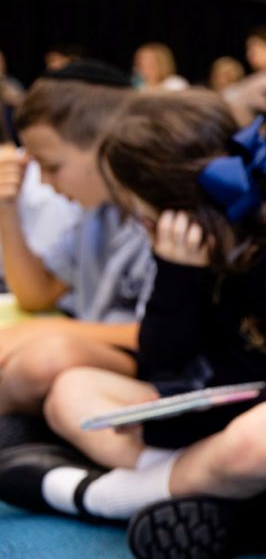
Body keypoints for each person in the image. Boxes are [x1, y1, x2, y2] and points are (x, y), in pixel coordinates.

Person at [0, 90, 266, 558]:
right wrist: (177, 274)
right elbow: (164, 363)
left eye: (144, 216)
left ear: (182, 205)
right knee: (71, 390)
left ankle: (111, 496)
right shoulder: (195, 252)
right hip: (215, 416)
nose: (142, 226)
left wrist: (179, 428)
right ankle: (216, 491)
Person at [0, 61, 153, 421]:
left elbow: (160, 336)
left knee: (46, 358)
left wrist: (44, 330)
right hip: (92, 342)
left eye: (52, 167)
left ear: (109, 149)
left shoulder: (158, 217)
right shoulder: (94, 211)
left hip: (153, 364)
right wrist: (7, 209)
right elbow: (37, 294)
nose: (47, 183)